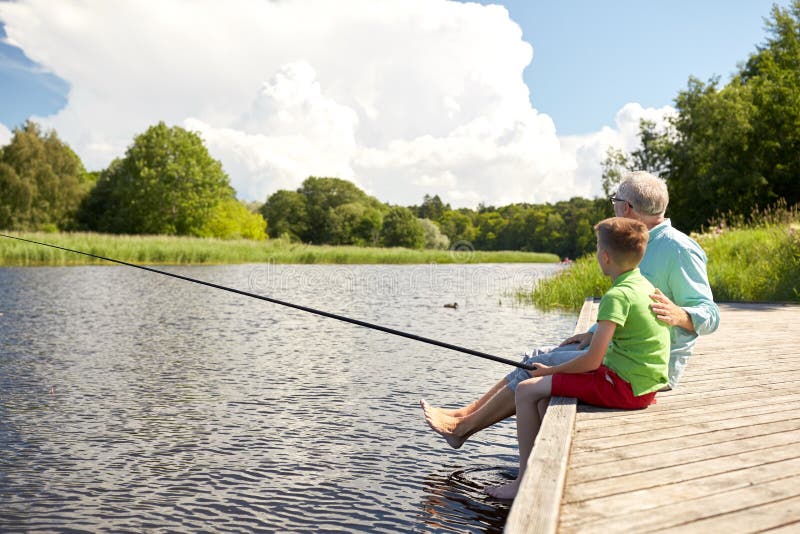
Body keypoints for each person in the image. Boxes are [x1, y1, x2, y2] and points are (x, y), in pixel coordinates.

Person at [420, 170, 720, 450]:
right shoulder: (637, 243)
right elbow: (629, 309)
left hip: (645, 368)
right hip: (619, 352)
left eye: (615, 201)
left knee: (542, 363)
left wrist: (680, 315)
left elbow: (710, 315)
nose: (613, 207)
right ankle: (465, 415)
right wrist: (590, 334)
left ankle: (462, 429)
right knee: (533, 356)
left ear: (626, 207)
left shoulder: (678, 248)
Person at [484, 217, 671, 499]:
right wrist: (555, 373)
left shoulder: (617, 295)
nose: (596, 252)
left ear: (605, 257)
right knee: (544, 397)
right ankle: (540, 467)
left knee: (525, 390)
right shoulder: (643, 285)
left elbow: (592, 361)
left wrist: (549, 370)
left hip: (624, 387)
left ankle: (523, 481)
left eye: (597, 247)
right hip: (642, 385)